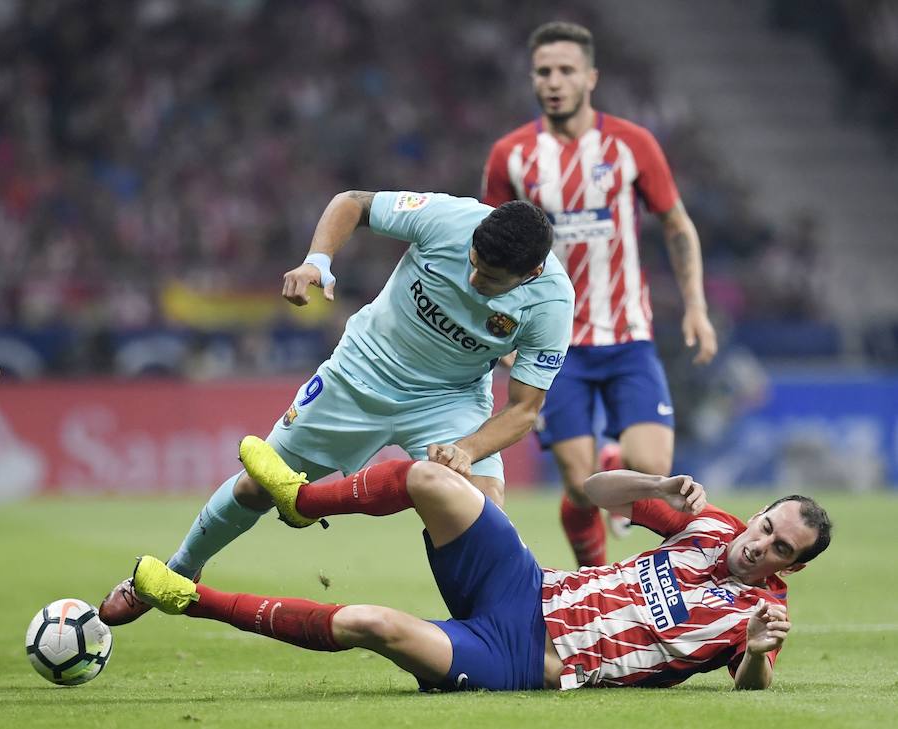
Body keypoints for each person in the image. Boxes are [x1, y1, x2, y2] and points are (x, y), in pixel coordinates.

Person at [99, 190, 575, 625]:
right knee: (255, 488)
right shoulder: (450, 219)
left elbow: (525, 409)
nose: (473, 279)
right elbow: (354, 203)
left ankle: (490, 637)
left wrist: (468, 448)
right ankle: (179, 571)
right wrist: (317, 261)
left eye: (489, 279)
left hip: (448, 400)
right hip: (359, 373)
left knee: (482, 512)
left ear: (530, 274)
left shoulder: (552, 300)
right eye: (472, 263)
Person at [132, 435, 832, 691]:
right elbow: (591, 491)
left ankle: (188, 595)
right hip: (526, 585)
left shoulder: (759, 613)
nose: (759, 543)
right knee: (435, 480)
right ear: (760, 512)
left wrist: (758, 657)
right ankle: (300, 498)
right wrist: (653, 485)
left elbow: (751, 684)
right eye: (766, 524)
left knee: (375, 622)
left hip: (520, 655)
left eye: (777, 547)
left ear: (789, 567)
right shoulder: (710, 523)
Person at [482, 21, 719, 568]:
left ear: (591, 76)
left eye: (566, 70)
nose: (554, 82)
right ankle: (599, 576)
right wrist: (502, 337)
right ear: (532, 79)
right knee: (580, 484)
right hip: (554, 343)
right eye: (544, 72)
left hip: (628, 336)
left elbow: (678, 227)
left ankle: (615, 460)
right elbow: (492, 249)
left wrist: (697, 308)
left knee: (653, 474)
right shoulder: (511, 156)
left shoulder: (632, 144)